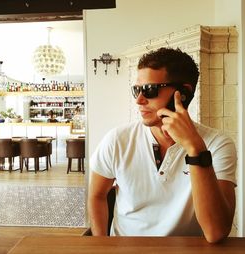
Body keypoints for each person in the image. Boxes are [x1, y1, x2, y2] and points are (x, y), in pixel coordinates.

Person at [88, 47, 237, 243]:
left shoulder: (217, 144)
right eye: (136, 90)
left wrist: (195, 149)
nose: (139, 100)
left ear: (183, 93)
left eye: (150, 90)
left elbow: (216, 232)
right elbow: (97, 195)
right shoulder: (118, 140)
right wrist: (102, 245)